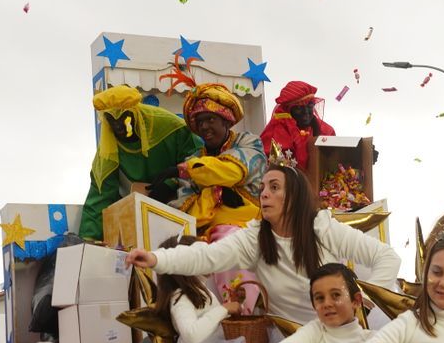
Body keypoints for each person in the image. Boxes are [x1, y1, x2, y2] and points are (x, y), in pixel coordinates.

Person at [126, 162, 401, 330]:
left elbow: (386, 256)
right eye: (262, 189)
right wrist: (156, 259)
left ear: (294, 196)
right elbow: (207, 257)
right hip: (290, 339)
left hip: (338, 331)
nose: (264, 194)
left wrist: (364, 303)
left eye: (274, 187)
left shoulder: (321, 227)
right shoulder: (255, 238)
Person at [80, 85, 204, 241]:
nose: (118, 126)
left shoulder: (168, 124)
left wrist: (172, 182)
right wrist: (87, 239)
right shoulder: (108, 148)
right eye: (112, 120)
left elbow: (199, 157)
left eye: (124, 117)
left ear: (134, 112)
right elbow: (100, 194)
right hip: (139, 215)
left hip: (181, 205)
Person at [172, 83, 266, 234]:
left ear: (226, 121)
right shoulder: (194, 158)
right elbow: (185, 210)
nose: (203, 126)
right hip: (208, 237)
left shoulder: (248, 142)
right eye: (200, 122)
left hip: (251, 232)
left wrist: (195, 175)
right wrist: (216, 193)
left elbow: (232, 171)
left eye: (210, 119)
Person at [269, 263, 376, 343]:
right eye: (320, 298)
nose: (327, 304)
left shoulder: (372, 340)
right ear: (314, 305)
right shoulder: (316, 331)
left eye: (336, 295)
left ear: (356, 300)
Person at [259, 80, 336, 171]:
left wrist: (317, 132)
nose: (306, 112)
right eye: (299, 108)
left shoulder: (326, 130)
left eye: (310, 106)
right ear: (288, 110)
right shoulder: (276, 132)